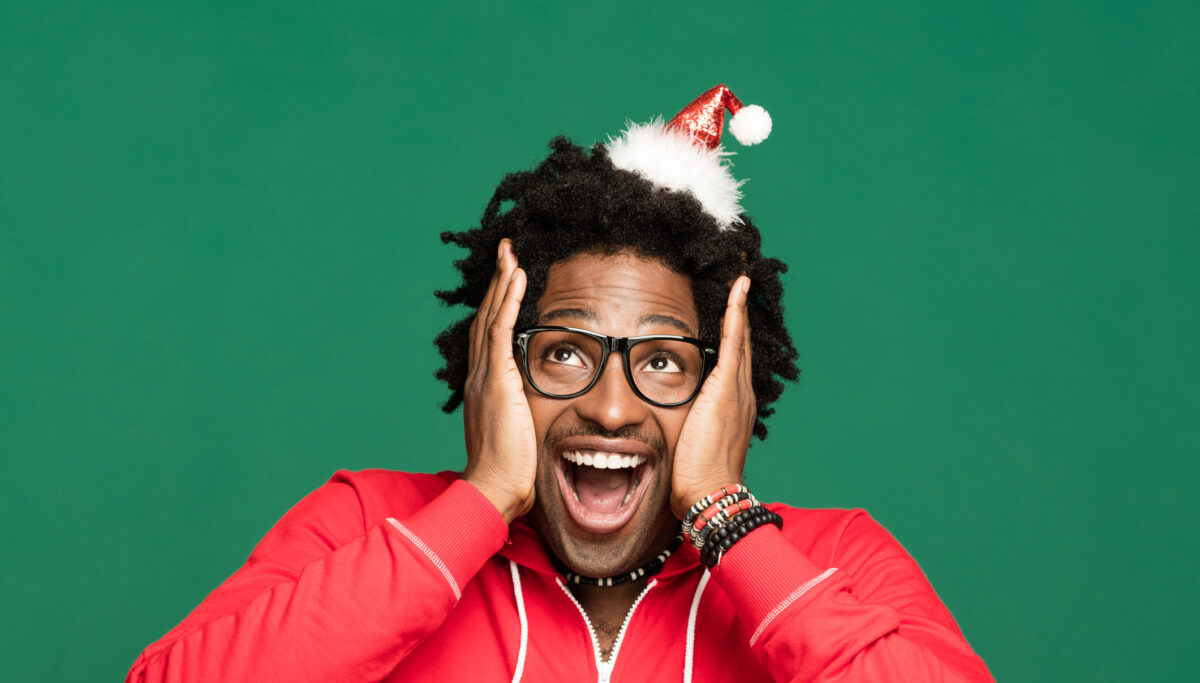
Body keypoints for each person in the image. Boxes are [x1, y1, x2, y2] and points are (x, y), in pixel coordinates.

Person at [127, 85, 994, 682]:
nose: (610, 408)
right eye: (566, 354)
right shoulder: (366, 523)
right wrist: (479, 503)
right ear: (497, 360)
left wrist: (728, 519)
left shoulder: (834, 560)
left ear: (725, 382)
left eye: (662, 361)